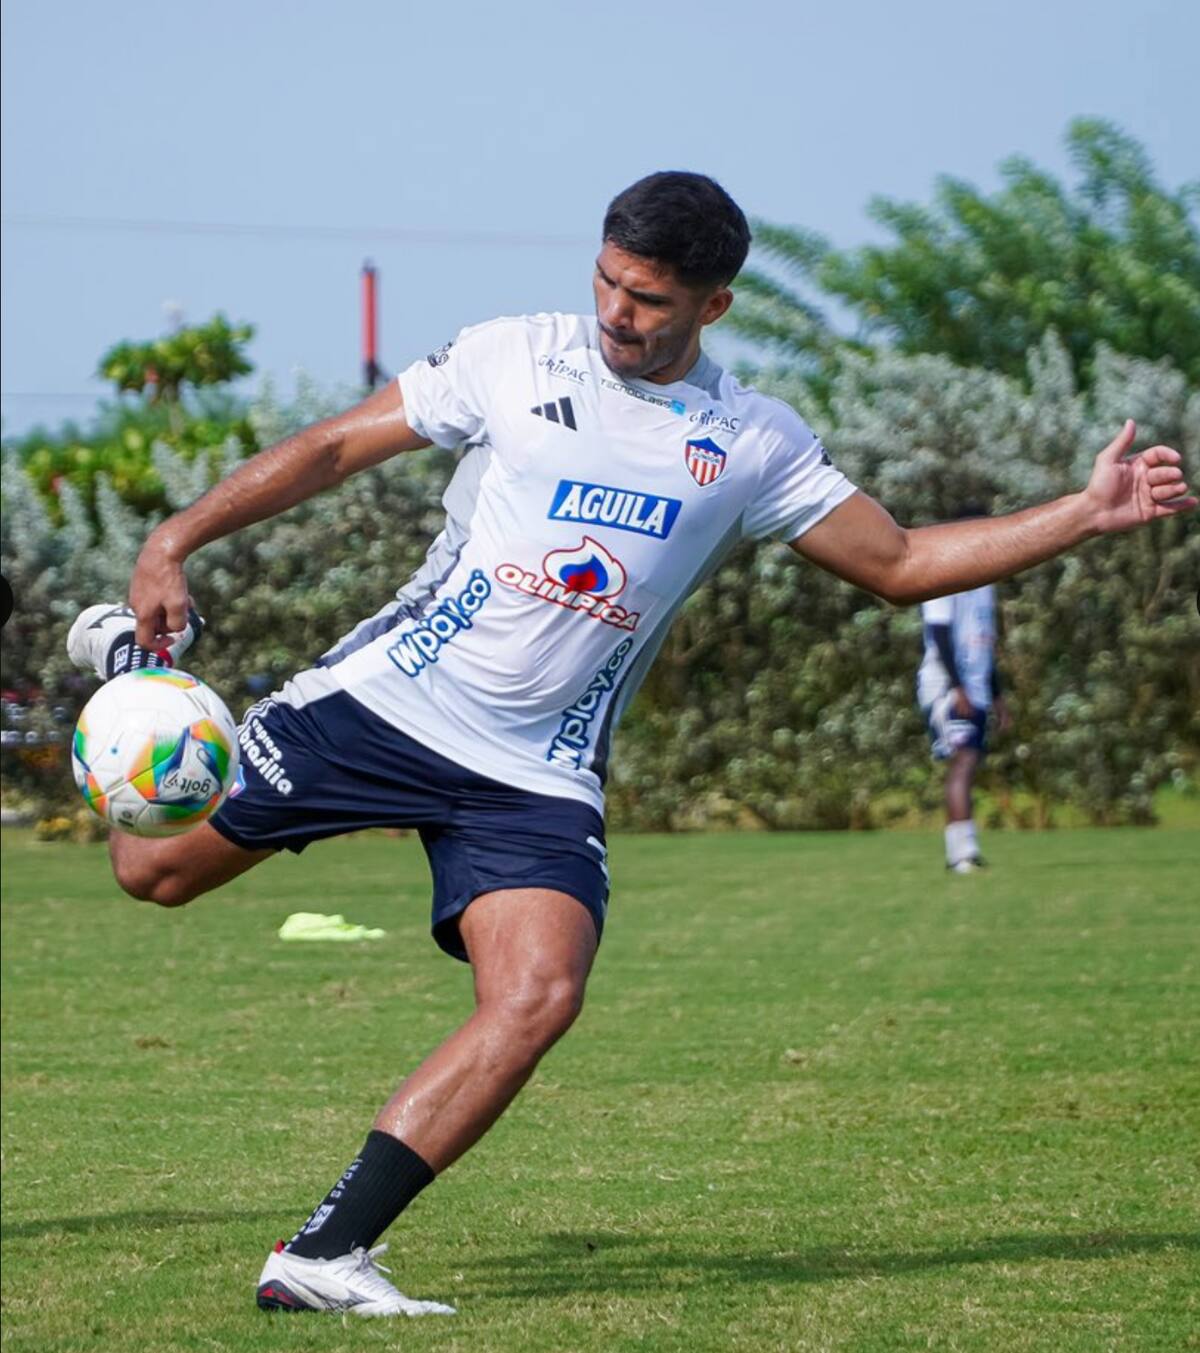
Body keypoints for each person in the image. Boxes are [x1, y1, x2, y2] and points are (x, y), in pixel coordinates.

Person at [65, 171, 1195, 1319]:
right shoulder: (516, 355)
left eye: (650, 298)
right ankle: (136, 686)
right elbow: (331, 452)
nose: (617, 311)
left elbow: (898, 564)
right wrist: (176, 536)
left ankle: (323, 1254)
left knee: (541, 993)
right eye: (608, 280)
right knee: (150, 870)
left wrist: (1082, 512)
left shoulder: (751, 440)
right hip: (388, 701)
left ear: (715, 305)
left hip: (534, 774)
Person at [916, 508, 1012, 873]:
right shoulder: (943, 574)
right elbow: (938, 635)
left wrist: (997, 695)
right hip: (947, 686)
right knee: (964, 761)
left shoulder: (984, 582)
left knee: (970, 761)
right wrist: (958, 688)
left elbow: (982, 644)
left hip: (975, 686)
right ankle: (961, 854)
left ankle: (966, 851)